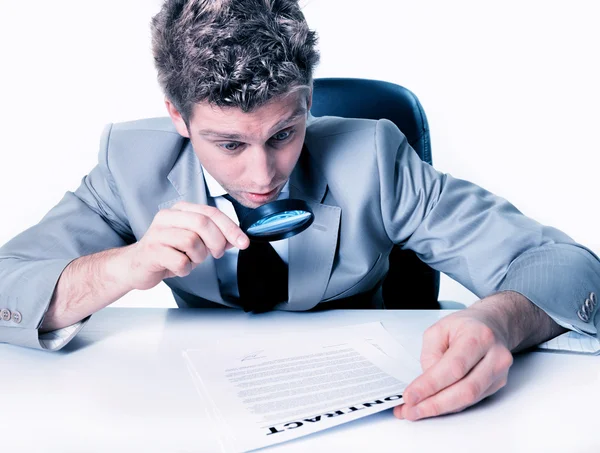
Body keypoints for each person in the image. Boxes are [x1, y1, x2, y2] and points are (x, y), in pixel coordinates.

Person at [0, 0, 598, 423]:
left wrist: (498, 321)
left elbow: (568, 267)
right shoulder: (128, 163)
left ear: (308, 102)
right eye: (229, 144)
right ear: (178, 119)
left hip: (381, 413)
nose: (262, 176)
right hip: (191, 409)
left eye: (285, 132)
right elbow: (7, 284)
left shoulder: (373, 158)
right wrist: (119, 268)